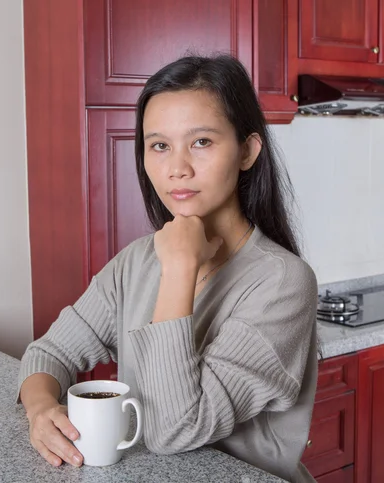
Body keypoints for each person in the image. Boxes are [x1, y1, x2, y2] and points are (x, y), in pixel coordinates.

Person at [17, 55, 319, 483]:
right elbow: (48, 354)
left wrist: (179, 266)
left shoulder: (283, 282)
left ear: (248, 150)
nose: (177, 168)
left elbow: (174, 429)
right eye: (159, 146)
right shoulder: (135, 263)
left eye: (201, 142)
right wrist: (42, 409)